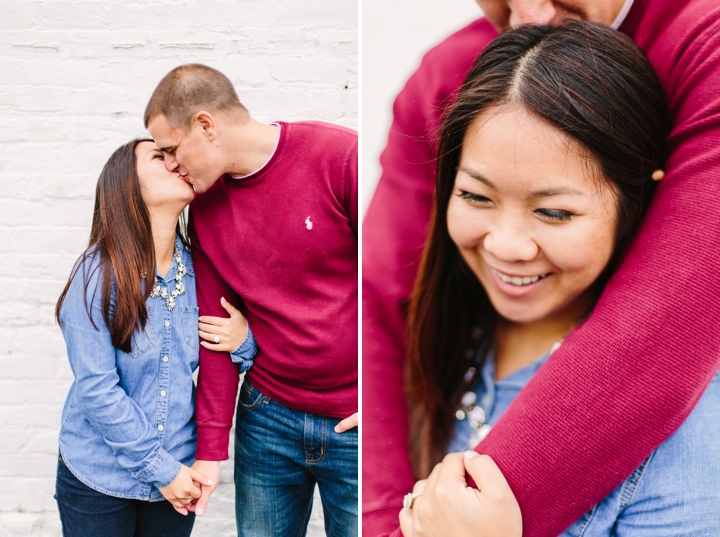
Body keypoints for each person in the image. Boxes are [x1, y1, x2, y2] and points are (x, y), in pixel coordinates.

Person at [362, 1, 720, 535]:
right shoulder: (453, 346)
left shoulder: (689, 440)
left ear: (640, 200)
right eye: (476, 196)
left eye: (554, 212)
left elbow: (673, 319)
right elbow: (378, 295)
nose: (528, 14)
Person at [144, 64, 358, 536]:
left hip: (358, 424)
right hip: (268, 419)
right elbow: (215, 331)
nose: (172, 167)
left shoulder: (340, 156)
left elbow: (402, 279)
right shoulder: (202, 209)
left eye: (172, 150)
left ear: (206, 125)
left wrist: (389, 393)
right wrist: (211, 450)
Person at [54, 139, 257, 536]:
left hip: (178, 474)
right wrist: (160, 469)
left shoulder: (203, 271)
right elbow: (97, 389)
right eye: (159, 157)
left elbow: (223, 360)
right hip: (99, 477)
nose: (175, 162)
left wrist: (244, 339)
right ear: (128, 186)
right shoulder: (96, 276)